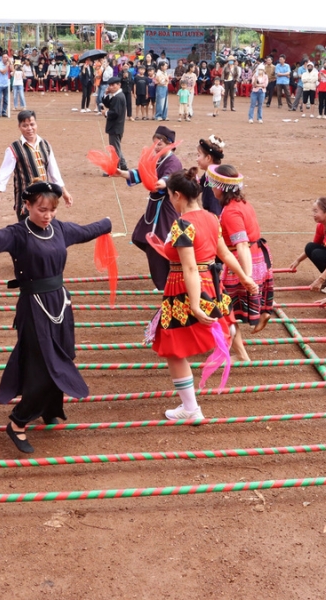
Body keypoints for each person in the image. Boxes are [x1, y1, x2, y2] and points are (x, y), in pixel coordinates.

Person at [0, 182, 111, 453]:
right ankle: (18, 422)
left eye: (52, 210)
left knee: (63, 355)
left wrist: (107, 223)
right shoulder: (18, 234)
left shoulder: (60, 229)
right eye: (42, 209)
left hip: (60, 303)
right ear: (27, 206)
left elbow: (85, 231)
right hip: (34, 306)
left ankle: (50, 407)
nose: (48, 215)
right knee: (45, 365)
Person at [151, 168, 257, 419]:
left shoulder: (182, 224)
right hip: (211, 285)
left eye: (169, 195)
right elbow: (225, 254)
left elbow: (188, 267)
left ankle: (190, 408)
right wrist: (245, 277)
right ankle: (189, 406)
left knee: (172, 349)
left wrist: (196, 305)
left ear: (177, 195)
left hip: (184, 289)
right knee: (178, 345)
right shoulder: (212, 218)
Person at [210, 164, 274, 351]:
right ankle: (263, 312)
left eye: (214, 184)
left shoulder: (231, 212)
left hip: (243, 259)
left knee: (223, 305)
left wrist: (246, 277)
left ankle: (232, 349)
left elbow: (242, 244)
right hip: (259, 256)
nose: (212, 188)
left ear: (221, 188)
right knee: (224, 305)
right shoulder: (244, 204)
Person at [114, 125, 183, 290]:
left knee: (159, 244)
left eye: (160, 144)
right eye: (155, 144)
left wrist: (160, 183)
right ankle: (166, 278)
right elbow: (143, 173)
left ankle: (164, 283)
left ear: (170, 144)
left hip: (165, 209)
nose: (156, 147)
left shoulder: (174, 162)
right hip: (154, 208)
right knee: (143, 237)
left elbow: (168, 178)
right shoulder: (158, 159)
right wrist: (122, 173)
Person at [0, 110, 74, 219]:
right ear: (19, 127)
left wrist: (64, 191)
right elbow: (4, 172)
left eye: (32, 124)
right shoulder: (14, 148)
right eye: (25, 125)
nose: (29, 128)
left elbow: (53, 171)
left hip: (46, 197)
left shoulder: (45, 145)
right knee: (27, 232)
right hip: (26, 201)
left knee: (48, 230)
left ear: (36, 124)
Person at [288, 197, 326, 292]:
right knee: (310, 247)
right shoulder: (322, 225)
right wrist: (298, 261)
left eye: (316, 211)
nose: (313, 215)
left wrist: (321, 279)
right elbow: (313, 246)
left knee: (318, 253)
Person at [101, 77, 128, 171]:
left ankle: (116, 168)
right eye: (110, 85)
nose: (111, 87)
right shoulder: (116, 95)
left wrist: (106, 113)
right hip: (117, 126)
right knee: (116, 147)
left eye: (113, 85)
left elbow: (115, 112)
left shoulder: (118, 97)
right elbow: (109, 104)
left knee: (115, 149)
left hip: (115, 126)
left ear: (119, 85)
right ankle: (123, 166)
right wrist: (106, 94)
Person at [197, 136, 225, 216]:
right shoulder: (208, 174)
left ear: (208, 158)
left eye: (199, 155)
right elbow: (198, 186)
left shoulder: (213, 181)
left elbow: (215, 212)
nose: (197, 159)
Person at [0, 53, 10, 118]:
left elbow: (12, 70)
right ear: (2, 58)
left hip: (6, 84)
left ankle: (4, 112)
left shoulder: (8, 64)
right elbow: (3, 72)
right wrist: (7, 66)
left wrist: (10, 63)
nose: (5, 58)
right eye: (4, 57)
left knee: (6, 99)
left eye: (6, 57)